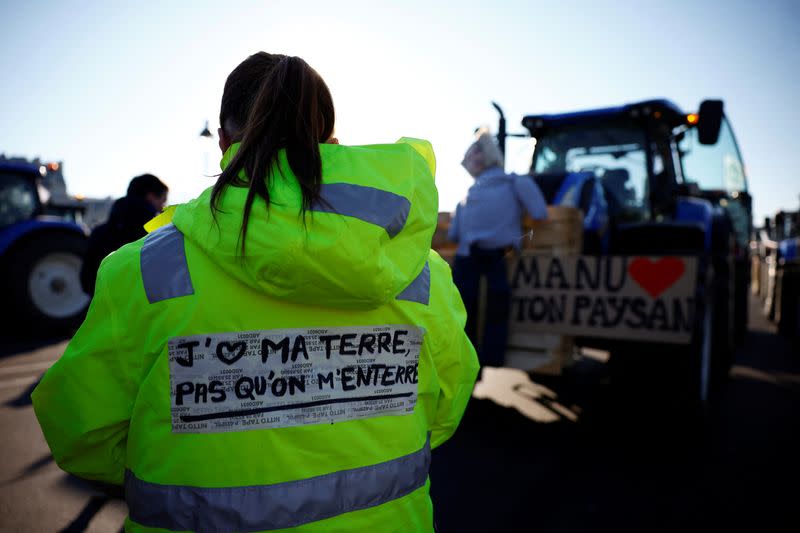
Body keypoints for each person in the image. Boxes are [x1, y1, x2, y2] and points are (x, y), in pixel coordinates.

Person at [32, 52, 478, 533]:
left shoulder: (144, 270)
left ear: (224, 140)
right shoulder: (419, 272)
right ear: (328, 140)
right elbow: (446, 404)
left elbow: (81, 433)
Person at [448, 129, 547, 373]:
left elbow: (539, 214)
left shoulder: (512, 184)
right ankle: (476, 359)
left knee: (477, 307)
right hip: (479, 257)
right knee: (483, 306)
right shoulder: (474, 195)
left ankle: (475, 360)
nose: (475, 158)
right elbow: (539, 212)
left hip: (487, 257)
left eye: (478, 152)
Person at [79, 173, 168, 295]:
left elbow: (86, 281)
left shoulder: (98, 233)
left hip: (105, 307)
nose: (162, 208)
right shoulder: (157, 234)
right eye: (162, 202)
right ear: (150, 197)